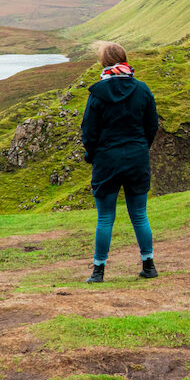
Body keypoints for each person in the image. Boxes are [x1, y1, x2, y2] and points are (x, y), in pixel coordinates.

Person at [80, 41, 159, 283]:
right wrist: (140, 147)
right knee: (139, 214)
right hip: (136, 158)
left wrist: (92, 155)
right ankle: (149, 265)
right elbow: (152, 125)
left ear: (103, 63)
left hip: (107, 161)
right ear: (124, 59)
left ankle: (98, 271)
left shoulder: (97, 95)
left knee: (105, 218)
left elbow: (88, 133)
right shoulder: (142, 89)